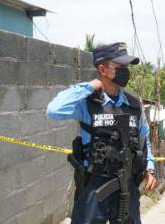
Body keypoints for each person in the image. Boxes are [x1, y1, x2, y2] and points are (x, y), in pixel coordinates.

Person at [46, 42, 157, 224]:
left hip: (127, 184)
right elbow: (53, 110)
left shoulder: (134, 104)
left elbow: (144, 139)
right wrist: (88, 86)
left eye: (126, 66)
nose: (125, 71)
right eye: (119, 66)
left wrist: (149, 170)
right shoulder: (87, 102)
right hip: (95, 184)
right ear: (102, 69)